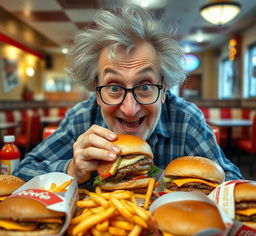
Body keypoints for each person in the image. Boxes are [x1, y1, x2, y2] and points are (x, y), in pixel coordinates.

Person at [13, 5, 243, 185]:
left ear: (163, 91)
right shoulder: (81, 117)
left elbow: (232, 183)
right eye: (114, 88)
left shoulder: (185, 118)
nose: (130, 109)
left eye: (145, 86)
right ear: (97, 92)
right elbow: (21, 172)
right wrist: (73, 169)